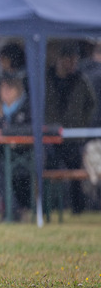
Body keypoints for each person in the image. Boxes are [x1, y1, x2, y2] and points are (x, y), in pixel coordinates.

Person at [44, 42, 96, 214]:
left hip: (74, 136)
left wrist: (82, 124)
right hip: (51, 135)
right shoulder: (47, 78)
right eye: (70, 59)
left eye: (75, 60)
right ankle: (47, 206)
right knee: (49, 169)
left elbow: (91, 104)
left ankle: (77, 207)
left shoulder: (81, 80)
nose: (73, 64)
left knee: (75, 171)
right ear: (60, 59)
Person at [0, 72, 33, 218]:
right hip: (6, 156)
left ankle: (13, 210)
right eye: (3, 88)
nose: (6, 92)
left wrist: (4, 133)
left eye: (10, 88)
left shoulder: (27, 107)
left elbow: (29, 130)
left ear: (18, 90)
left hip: (26, 156)